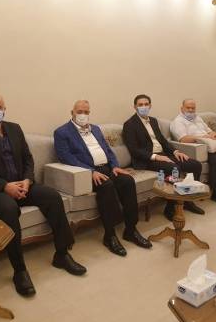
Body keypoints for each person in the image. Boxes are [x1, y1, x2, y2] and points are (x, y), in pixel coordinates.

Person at [0, 93, 86, 297]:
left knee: (52, 196)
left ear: (5, 109)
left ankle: (62, 254)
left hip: (22, 184)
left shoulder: (15, 128)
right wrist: (5, 186)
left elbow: (28, 158)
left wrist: (27, 180)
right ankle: (19, 271)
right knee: (9, 208)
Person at [54, 100, 152, 257]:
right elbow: (66, 157)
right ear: (72, 112)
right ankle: (110, 235)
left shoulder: (96, 129)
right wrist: (91, 171)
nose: (83, 115)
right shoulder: (62, 132)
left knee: (127, 181)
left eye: (86, 112)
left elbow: (108, 150)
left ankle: (131, 230)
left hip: (107, 168)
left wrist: (115, 166)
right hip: (85, 173)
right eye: (79, 112)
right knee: (106, 186)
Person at [122, 94, 205, 221]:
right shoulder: (129, 124)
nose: (144, 107)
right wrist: (156, 157)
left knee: (195, 165)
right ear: (135, 107)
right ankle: (170, 208)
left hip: (163, 154)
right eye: (140, 105)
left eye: (146, 104)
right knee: (174, 169)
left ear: (150, 106)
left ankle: (188, 201)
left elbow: (162, 141)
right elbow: (134, 150)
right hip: (147, 159)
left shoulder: (153, 121)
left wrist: (176, 151)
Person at [170, 99, 216, 206]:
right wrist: (202, 137)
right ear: (182, 108)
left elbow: (208, 130)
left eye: (193, 108)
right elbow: (183, 139)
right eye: (188, 108)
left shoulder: (198, 118)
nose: (191, 110)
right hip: (198, 148)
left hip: (211, 145)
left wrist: (214, 134)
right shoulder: (178, 122)